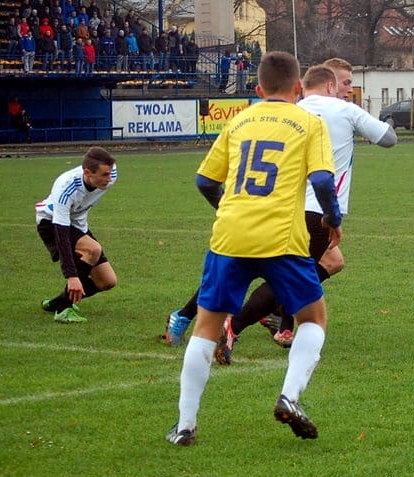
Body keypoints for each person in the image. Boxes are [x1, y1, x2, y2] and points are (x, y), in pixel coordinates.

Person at [160, 59, 397, 360]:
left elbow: (206, 179)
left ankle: (274, 318)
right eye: (346, 83)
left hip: (261, 209)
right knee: (282, 277)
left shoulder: (285, 114)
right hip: (308, 214)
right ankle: (237, 325)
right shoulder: (340, 112)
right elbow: (386, 141)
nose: (349, 90)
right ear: (329, 84)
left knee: (327, 261)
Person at [165, 51, 342, 445]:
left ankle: (185, 426)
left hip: (230, 233)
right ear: (298, 87)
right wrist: (333, 219)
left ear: (258, 89)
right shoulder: (308, 122)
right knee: (313, 318)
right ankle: (289, 396)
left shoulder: (238, 120)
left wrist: (229, 209)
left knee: (207, 326)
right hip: (282, 237)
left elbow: (205, 182)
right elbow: (324, 181)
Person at [35, 147, 119, 323]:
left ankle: (57, 301)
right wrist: (72, 276)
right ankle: (63, 309)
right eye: (104, 175)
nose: (109, 179)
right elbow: (62, 234)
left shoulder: (112, 174)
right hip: (51, 223)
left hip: (78, 225)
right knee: (93, 249)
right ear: (87, 172)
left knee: (107, 281)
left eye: (110, 173)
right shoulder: (66, 188)